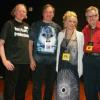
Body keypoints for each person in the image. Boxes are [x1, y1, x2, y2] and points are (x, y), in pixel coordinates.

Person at [29, 4, 61, 100]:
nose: (48, 14)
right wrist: (31, 60)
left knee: (49, 87)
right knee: (36, 87)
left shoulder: (58, 28)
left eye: (51, 12)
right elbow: (30, 43)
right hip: (38, 62)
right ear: (43, 13)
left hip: (52, 63)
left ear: (53, 14)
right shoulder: (35, 25)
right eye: (46, 12)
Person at [0, 4, 30, 100]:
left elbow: (30, 45)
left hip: (25, 64)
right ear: (15, 12)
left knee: (21, 91)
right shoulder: (9, 24)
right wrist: (4, 61)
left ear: (26, 14)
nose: (22, 13)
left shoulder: (27, 26)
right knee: (9, 91)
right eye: (19, 10)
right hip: (12, 64)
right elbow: (1, 44)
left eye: (24, 11)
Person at [56, 11, 84, 100]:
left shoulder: (80, 35)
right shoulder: (60, 34)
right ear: (65, 22)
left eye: (74, 22)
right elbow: (58, 52)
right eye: (70, 21)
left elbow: (82, 53)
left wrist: (81, 69)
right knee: (61, 92)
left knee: (73, 93)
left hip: (74, 70)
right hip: (62, 68)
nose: (72, 23)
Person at [82, 6, 100, 100]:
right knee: (89, 89)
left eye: (94, 16)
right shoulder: (84, 30)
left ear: (98, 16)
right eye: (89, 16)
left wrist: (94, 48)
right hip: (87, 61)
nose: (92, 18)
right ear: (86, 18)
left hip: (99, 60)